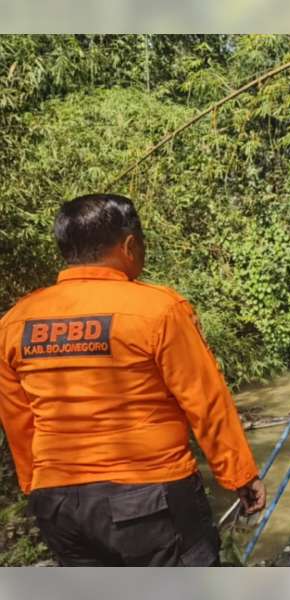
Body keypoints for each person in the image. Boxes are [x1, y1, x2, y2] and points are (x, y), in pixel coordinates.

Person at [0, 194, 266, 566]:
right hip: (149, 497)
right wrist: (240, 475)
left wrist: (37, 485)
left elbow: (18, 421)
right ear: (128, 245)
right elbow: (205, 400)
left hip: (59, 504)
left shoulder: (15, 321)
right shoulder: (159, 309)